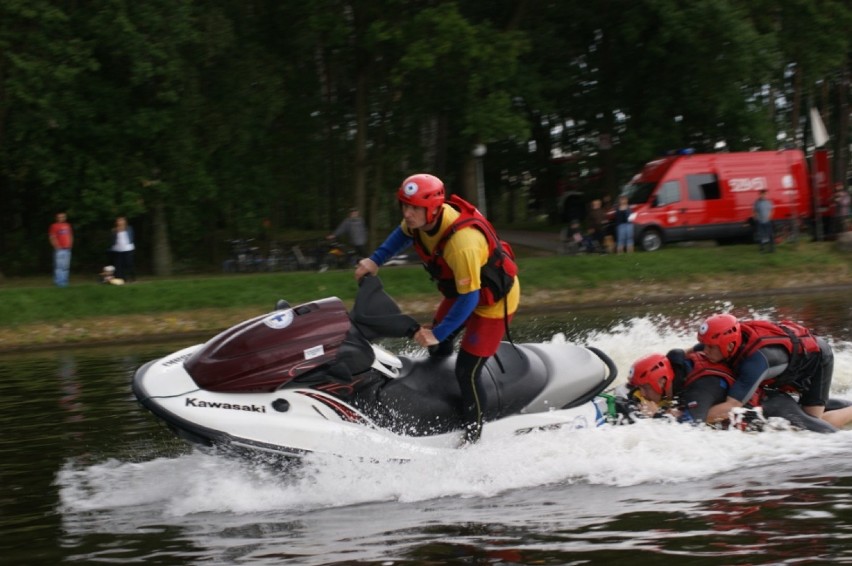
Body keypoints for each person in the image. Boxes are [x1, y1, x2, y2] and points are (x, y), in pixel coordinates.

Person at [354, 173, 520, 445]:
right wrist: (375, 260)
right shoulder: (420, 221)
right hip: (463, 293)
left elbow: (470, 298)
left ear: (432, 209)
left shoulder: (462, 243)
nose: (407, 213)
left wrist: (439, 332)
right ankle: (440, 399)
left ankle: (474, 437)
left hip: (492, 302)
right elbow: (401, 235)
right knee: (437, 347)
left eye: (414, 208)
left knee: (467, 370)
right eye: (404, 205)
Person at [694, 314, 852, 432]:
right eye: (704, 345)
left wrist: (691, 421)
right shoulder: (726, 343)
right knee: (801, 406)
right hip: (789, 364)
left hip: (817, 358)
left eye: (711, 347)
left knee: (811, 423)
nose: (705, 351)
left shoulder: (755, 362)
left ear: (729, 345)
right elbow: (692, 354)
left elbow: (733, 405)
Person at [625, 350, 735, 425]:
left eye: (645, 388)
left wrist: (656, 414)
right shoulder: (674, 368)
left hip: (737, 420)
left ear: (662, 382)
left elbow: (690, 427)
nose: (642, 393)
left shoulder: (698, 390)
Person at [48, 211, 73, 287]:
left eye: (63, 217)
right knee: (59, 267)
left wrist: (70, 244)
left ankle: (65, 282)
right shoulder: (54, 226)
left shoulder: (68, 225)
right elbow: (52, 237)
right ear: (57, 218)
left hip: (67, 249)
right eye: (60, 217)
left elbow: (70, 235)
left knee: (66, 266)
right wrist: (56, 246)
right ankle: (59, 282)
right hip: (60, 249)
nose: (61, 218)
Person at [110, 216, 136, 282]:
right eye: (118, 221)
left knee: (129, 264)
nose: (120, 222)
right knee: (119, 265)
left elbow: (132, 237)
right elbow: (112, 240)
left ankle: (133, 277)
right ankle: (123, 279)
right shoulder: (114, 230)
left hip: (128, 249)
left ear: (125, 221)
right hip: (117, 250)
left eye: (121, 220)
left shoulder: (129, 228)